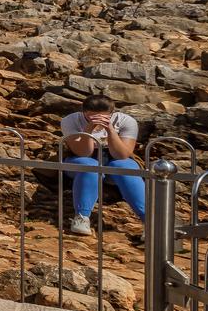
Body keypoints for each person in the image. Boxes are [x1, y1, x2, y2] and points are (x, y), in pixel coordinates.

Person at [59, 94, 146, 236]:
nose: (99, 119)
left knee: (126, 168)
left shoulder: (126, 121)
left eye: (104, 116)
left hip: (114, 158)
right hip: (81, 158)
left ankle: (149, 220)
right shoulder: (71, 121)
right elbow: (83, 152)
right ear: (84, 113)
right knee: (89, 165)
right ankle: (82, 217)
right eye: (92, 116)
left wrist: (111, 130)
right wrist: (89, 129)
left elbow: (122, 154)